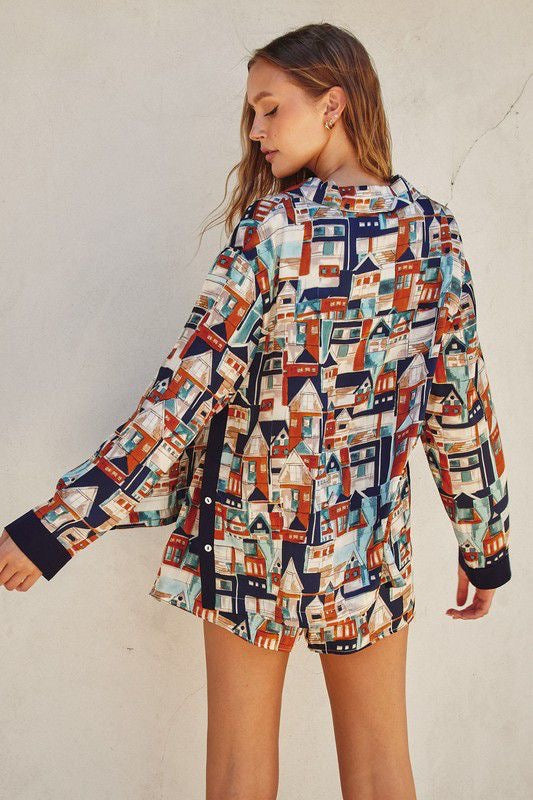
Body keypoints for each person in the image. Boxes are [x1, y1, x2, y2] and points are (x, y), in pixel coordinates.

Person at [1, 21, 510, 800]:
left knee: (239, 776)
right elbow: (460, 406)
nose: (254, 129)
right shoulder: (431, 231)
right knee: (382, 771)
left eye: (270, 108)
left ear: (332, 104)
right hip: (366, 543)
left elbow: (183, 396)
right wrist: (484, 545)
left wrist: (58, 526)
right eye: (251, 112)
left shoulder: (272, 230)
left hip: (249, 540)